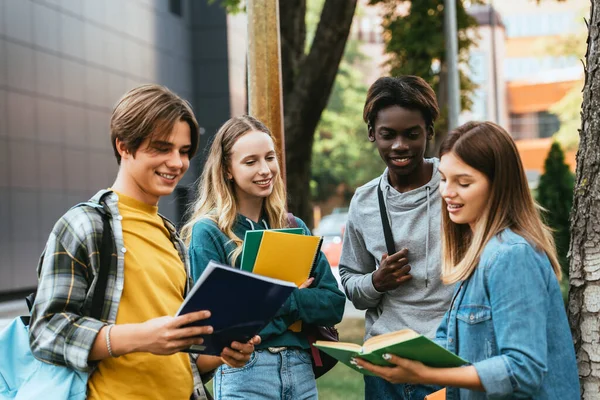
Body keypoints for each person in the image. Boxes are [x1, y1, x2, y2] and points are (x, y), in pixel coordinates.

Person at [29, 84, 258, 400]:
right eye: (162, 148)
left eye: (184, 150)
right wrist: (140, 337)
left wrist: (222, 353)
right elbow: (46, 332)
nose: (177, 162)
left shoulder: (171, 236)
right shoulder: (85, 224)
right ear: (124, 146)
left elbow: (182, 356)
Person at [354, 121, 580, 399]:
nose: (447, 192)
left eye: (464, 182)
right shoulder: (476, 255)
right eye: (444, 179)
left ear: (498, 185)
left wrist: (425, 375)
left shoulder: (512, 256)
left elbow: (523, 369)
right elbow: (452, 344)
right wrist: (391, 357)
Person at [181, 115, 345, 400]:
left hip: (301, 368)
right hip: (245, 372)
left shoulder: (294, 227)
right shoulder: (208, 233)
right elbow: (220, 329)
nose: (265, 169)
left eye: (270, 157)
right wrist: (292, 299)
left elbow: (333, 304)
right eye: (250, 161)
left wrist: (274, 300)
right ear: (228, 170)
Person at [338, 76, 454, 399]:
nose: (400, 146)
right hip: (382, 366)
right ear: (372, 134)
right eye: (388, 135)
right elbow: (349, 280)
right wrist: (376, 281)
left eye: (412, 134)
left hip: (443, 362)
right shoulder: (363, 202)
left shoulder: (454, 186)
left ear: (429, 132)